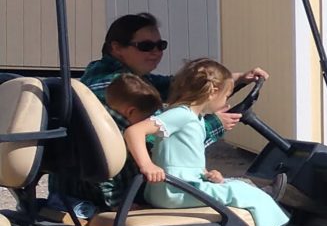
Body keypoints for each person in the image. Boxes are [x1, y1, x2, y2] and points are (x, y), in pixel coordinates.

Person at [121, 59, 305, 226]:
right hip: (174, 190)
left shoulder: (194, 118)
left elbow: (184, 157)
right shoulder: (182, 114)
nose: (226, 102)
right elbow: (134, 132)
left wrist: (208, 173)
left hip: (180, 185)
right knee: (252, 196)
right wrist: (147, 165)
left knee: (239, 187)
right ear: (212, 92)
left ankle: (261, 203)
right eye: (226, 96)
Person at [64, 13, 265, 212]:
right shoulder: (115, 88)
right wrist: (213, 124)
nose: (156, 52)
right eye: (146, 46)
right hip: (122, 192)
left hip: (108, 183)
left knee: (225, 186)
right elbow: (161, 142)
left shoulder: (119, 78)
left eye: (160, 45)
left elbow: (177, 86)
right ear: (116, 48)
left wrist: (236, 79)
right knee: (241, 197)